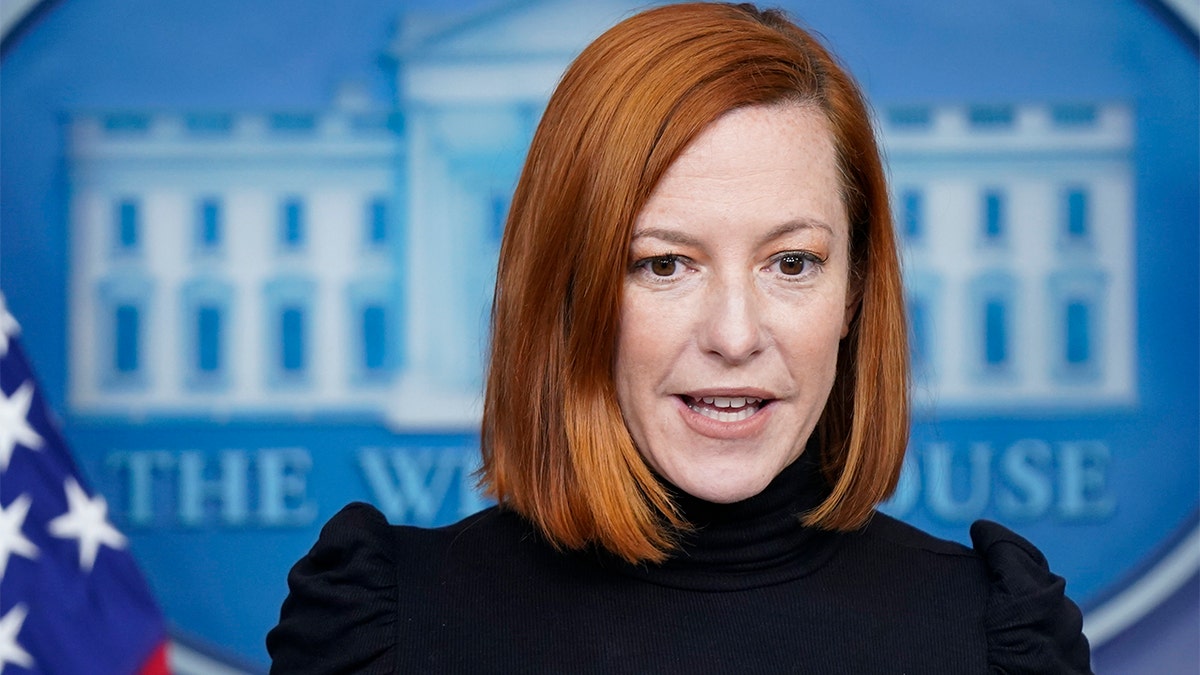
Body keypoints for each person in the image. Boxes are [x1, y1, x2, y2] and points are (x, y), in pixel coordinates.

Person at [267, 3, 1092, 672]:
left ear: (856, 292)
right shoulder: (387, 630)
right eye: (664, 265)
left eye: (793, 262)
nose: (735, 334)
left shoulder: (990, 637)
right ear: (567, 291)